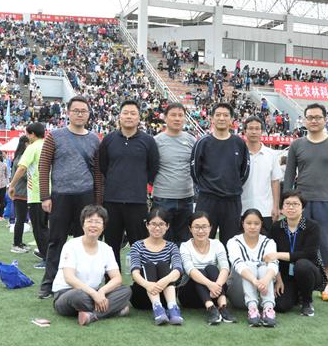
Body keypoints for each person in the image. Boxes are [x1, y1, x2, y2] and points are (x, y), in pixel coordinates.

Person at [37, 96, 103, 299]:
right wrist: (45, 196)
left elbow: (98, 172)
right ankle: (48, 284)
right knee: (56, 240)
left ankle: (82, 283)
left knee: (85, 241)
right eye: (76, 110)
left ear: (89, 114)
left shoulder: (94, 139)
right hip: (60, 196)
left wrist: (98, 202)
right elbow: (43, 166)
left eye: (84, 111)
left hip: (86, 196)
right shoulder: (54, 136)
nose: (80, 114)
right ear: (68, 113)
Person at [283, 103, 328, 302]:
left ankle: (327, 285)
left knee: (327, 244)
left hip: (327, 202)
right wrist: (286, 200)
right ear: (304, 120)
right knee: (297, 244)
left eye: (318, 117)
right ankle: (299, 285)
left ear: (325, 120)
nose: (314, 121)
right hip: (300, 203)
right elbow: (289, 174)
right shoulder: (297, 145)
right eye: (310, 117)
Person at [99, 100, 159, 269]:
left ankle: (140, 281)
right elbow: (103, 166)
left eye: (133, 113)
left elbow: (153, 168)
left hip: (137, 201)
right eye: (125, 113)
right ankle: (112, 281)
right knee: (111, 246)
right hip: (112, 201)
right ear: (119, 116)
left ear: (139, 117)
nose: (129, 116)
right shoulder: (109, 140)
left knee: (139, 245)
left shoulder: (148, 141)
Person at [52, 205, 132, 326]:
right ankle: (113, 310)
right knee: (78, 296)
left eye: (98, 222)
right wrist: (94, 294)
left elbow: (117, 278)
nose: (93, 225)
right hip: (67, 293)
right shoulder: (71, 245)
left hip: (94, 293)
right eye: (89, 221)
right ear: (83, 224)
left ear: (103, 226)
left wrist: (102, 291)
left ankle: (91, 315)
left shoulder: (106, 249)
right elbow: (69, 278)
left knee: (126, 290)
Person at [191, 102, 250, 246]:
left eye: (225, 115)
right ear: (211, 118)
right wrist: (208, 187)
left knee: (231, 243)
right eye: (218, 115)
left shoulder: (239, 143)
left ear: (232, 120)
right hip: (207, 200)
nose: (222, 118)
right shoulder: (202, 143)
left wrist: (232, 186)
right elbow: (195, 172)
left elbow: (244, 171)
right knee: (203, 241)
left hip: (232, 201)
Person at [268, 191, 326, 317]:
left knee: (302, 265)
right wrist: (278, 279)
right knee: (281, 306)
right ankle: (297, 294)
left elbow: (309, 254)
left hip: (309, 271)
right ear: (282, 208)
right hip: (286, 274)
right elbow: (270, 254)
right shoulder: (276, 227)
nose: (291, 207)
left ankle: (307, 302)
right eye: (287, 204)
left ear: (302, 207)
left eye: (295, 204)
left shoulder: (312, 226)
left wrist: (279, 255)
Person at [178, 211, 236, 325]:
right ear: (190, 228)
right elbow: (190, 270)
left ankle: (222, 307)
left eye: (204, 227)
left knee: (212, 268)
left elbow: (225, 267)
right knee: (199, 271)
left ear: (210, 228)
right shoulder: (185, 246)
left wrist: (217, 285)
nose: (201, 231)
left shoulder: (217, 244)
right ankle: (211, 308)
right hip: (190, 296)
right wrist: (210, 285)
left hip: (214, 293)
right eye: (197, 227)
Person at [129, 208, 185, 325]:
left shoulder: (172, 247)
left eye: (161, 224)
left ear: (167, 226)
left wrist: (163, 282)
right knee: (149, 265)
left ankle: (173, 307)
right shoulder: (137, 246)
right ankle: (157, 307)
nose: (157, 228)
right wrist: (148, 285)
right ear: (147, 225)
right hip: (142, 295)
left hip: (165, 295)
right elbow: (134, 272)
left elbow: (178, 270)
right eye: (153, 224)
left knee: (162, 264)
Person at [226, 209, 279, 327]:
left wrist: (264, 281)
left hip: (263, 291)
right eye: (249, 223)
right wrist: (255, 281)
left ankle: (268, 308)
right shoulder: (233, 242)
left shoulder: (269, 242)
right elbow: (238, 264)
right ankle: (252, 309)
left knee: (265, 267)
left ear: (261, 224)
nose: (252, 227)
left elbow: (274, 264)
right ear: (243, 224)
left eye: (256, 223)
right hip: (239, 294)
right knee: (249, 265)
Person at [152, 102, 196, 244]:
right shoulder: (156, 141)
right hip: (163, 198)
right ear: (165, 118)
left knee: (185, 241)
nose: (177, 118)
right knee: (162, 240)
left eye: (180, 115)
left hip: (186, 198)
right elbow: (150, 167)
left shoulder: (191, 140)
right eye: (173, 115)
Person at [9, 122, 48, 269]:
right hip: (51, 192)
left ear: (32, 134)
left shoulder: (32, 147)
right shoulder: (49, 145)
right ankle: (50, 254)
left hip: (36, 193)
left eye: (27, 134)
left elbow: (22, 168)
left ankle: (47, 257)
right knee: (46, 226)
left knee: (39, 228)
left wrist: (12, 185)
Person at [241, 115, 281, 235]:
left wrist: (276, 206)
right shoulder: (238, 153)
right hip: (241, 209)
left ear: (262, 131)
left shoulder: (271, 154)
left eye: (257, 128)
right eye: (250, 128)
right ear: (245, 131)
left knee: (265, 243)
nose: (254, 132)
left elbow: (275, 181)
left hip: (265, 210)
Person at [9, 136, 30, 253]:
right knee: (20, 219)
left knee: (21, 219)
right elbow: (24, 174)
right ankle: (16, 244)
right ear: (26, 144)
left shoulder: (19, 157)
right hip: (21, 192)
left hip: (20, 191)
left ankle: (19, 242)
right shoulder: (21, 158)